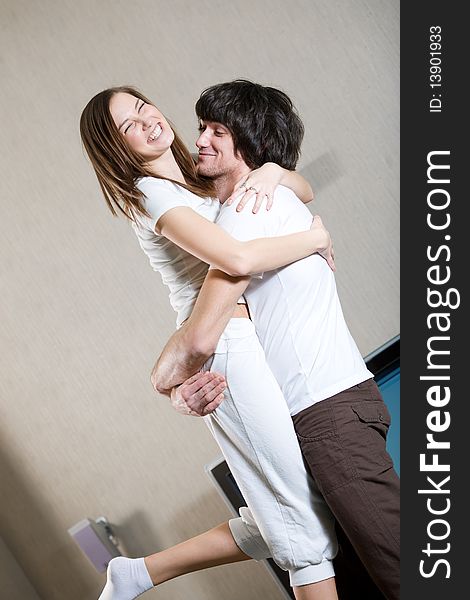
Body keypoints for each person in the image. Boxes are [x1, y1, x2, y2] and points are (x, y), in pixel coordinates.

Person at [80, 84, 340, 600]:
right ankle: (139, 574)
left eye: (141, 106)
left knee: (289, 505)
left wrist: (270, 171)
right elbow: (236, 261)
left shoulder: (198, 175)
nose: (146, 120)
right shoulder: (148, 195)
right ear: (116, 147)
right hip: (225, 347)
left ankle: (138, 573)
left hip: (251, 335)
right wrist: (315, 238)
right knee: (303, 525)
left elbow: (299, 188)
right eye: (127, 126)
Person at [150, 81, 400, 599]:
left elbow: (200, 334)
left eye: (218, 131)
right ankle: (140, 572)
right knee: (350, 565)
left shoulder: (245, 216)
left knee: (401, 569)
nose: (200, 140)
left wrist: (163, 383)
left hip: (324, 411)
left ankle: (141, 572)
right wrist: (278, 176)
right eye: (201, 127)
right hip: (332, 407)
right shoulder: (271, 197)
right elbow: (297, 186)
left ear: (252, 143)